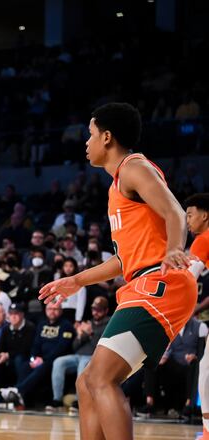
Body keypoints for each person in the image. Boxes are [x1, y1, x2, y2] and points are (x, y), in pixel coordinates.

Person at [40, 103, 198, 440]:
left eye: (91, 134)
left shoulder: (134, 167)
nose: (86, 142)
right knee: (86, 382)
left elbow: (175, 211)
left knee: (100, 378)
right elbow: (124, 261)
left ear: (107, 137)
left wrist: (174, 248)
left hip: (161, 282)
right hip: (143, 282)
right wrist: (77, 280)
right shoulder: (117, 187)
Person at [47, 296, 109, 413]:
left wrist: (89, 333)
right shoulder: (87, 323)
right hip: (78, 356)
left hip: (93, 357)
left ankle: (79, 401)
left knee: (83, 365)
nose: (95, 312)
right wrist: (81, 335)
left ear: (106, 311)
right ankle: (57, 399)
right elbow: (74, 346)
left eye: (99, 310)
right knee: (59, 362)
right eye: (94, 309)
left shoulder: (109, 324)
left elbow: (101, 345)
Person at [184, 193, 209, 439]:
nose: (187, 220)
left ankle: (208, 431)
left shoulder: (203, 239)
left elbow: (188, 278)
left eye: (190, 215)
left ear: (205, 215)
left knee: (207, 370)